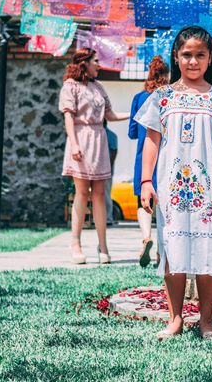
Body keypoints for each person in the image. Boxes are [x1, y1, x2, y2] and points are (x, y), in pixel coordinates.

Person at [136, 26, 212, 341]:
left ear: (210, 59)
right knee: (174, 252)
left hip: (208, 191)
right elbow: (152, 141)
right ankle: (176, 318)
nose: (193, 61)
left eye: (200, 55)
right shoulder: (162, 97)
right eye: (187, 55)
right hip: (171, 190)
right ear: (176, 57)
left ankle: (207, 320)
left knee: (208, 252)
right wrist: (145, 181)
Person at [59, 48, 129, 265]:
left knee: (99, 194)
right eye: (96, 61)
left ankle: (103, 245)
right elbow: (68, 117)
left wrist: (134, 113)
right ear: (84, 63)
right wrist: (74, 144)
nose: (99, 65)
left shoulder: (99, 87)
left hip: (99, 140)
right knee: (81, 193)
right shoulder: (70, 86)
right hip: (80, 138)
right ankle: (75, 243)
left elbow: (110, 114)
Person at [128, 55, 170, 267]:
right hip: (165, 156)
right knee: (164, 204)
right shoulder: (170, 97)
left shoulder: (139, 98)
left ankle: (146, 237)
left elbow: (132, 132)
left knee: (142, 201)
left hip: (143, 157)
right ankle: (162, 252)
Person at [104, 120, 118, 227]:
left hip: (106, 169)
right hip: (98, 168)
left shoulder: (110, 135)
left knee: (106, 194)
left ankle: (108, 217)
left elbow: (114, 151)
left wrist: (108, 167)